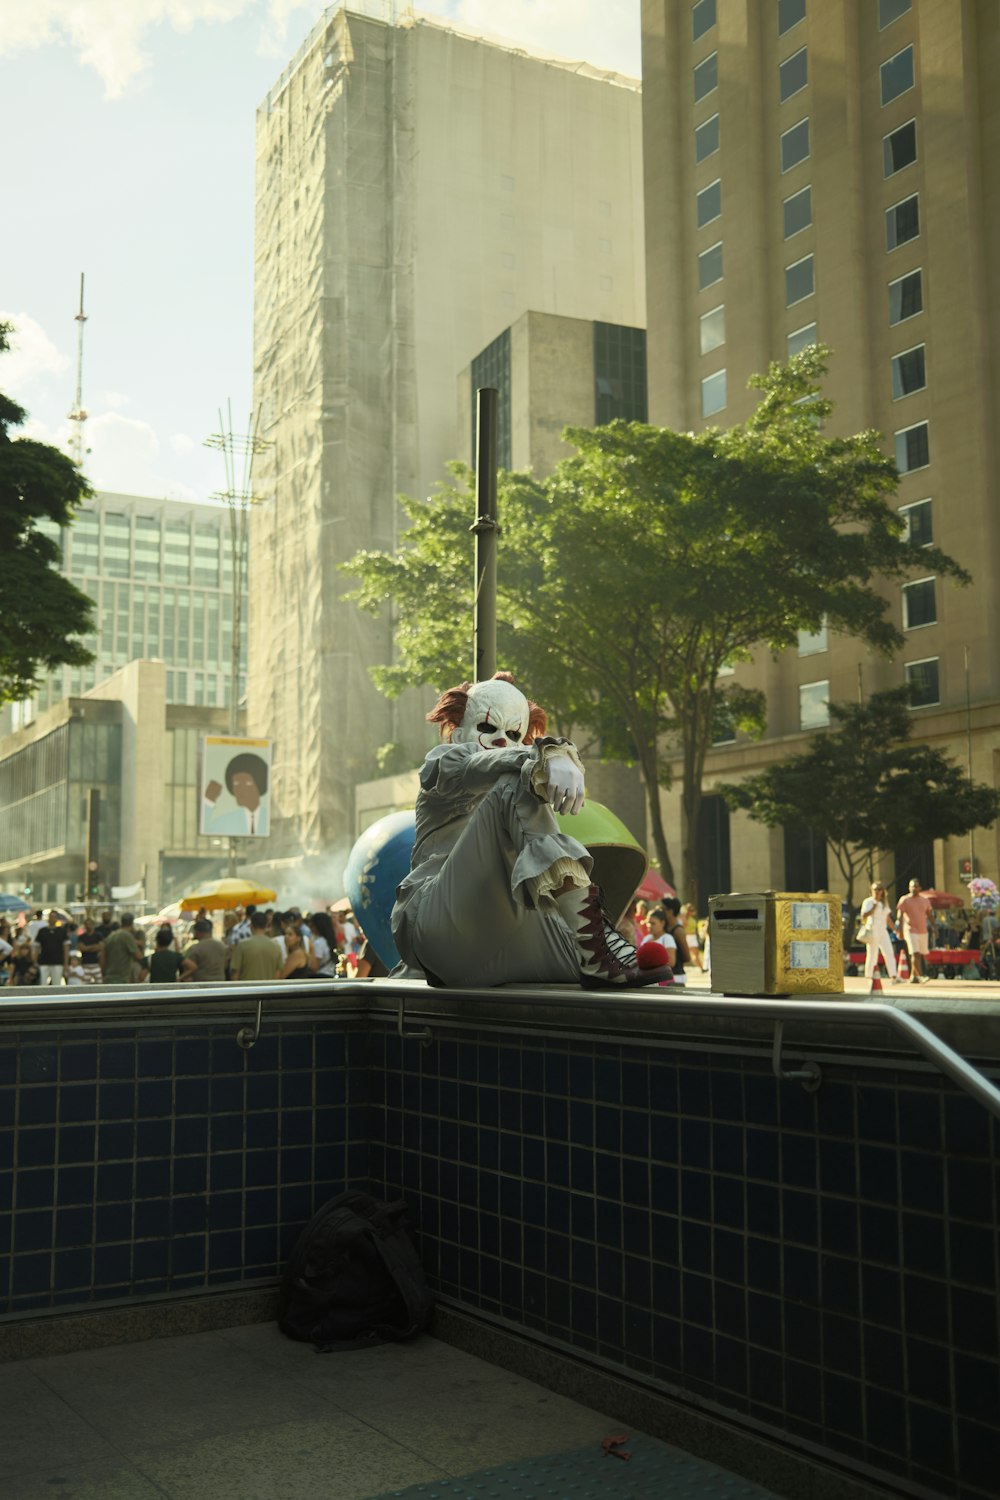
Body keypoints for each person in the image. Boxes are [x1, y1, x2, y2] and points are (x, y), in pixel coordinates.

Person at [390, 671, 671, 989]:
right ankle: (597, 951)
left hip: (516, 934)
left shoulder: (523, 777)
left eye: (513, 733)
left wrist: (544, 756)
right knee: (514, 782)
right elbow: (482, 764)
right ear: (457, 733)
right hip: (445, 930)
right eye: (486, 727)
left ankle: (597, 948)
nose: (499, 740)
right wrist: (547, 752)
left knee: (636, 972)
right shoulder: (444, 762)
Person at [202, 752, 270, 836]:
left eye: (247, 783)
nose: (240, 789)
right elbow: (206, 832)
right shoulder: (226, 821)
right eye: (236, 784)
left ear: (260, 784)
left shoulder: (270, 819)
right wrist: (208, 801)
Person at [895, 878, 934, 984]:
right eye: (912, 886)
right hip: (910, 930)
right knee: (915, 953)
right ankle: (920, 976)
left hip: (923, 930)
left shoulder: (925, 900)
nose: (914, 888)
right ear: (909, 887)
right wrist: (899, 930)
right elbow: (900, 916)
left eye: (916, 886)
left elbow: (930, 915)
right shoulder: (904, 900)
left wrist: (935, 928)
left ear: (920, 888)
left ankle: (913, 976)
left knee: (920, 954)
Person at [857, 881, 898, 982]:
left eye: (879, 889)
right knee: (872, 954)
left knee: (889, 952)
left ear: (882, 891)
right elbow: (863, 916)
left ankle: (893, 976)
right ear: (872, 890)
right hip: (872, 930)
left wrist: (896, 930)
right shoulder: (868, 902)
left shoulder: (884, 903)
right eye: (875, 889)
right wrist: (872, 909)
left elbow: (888, 919)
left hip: (883, 931)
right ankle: (869, 976)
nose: (877, 891)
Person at [230, 911, 282, 981]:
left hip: (248, 989)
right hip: (268, 989)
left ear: (251, 925)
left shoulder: (242, 945)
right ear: (266, 925)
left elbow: (235, 975)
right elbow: (278, 974)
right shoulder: (276, 946)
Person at [102, 913, 148, 983]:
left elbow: (102, 958)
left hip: (109, 977)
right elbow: (138, 956)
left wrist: (103, 974)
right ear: (132, 924)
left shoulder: (111, 936)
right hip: (122, 978)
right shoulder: (127, 936)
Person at [663, 897, 693, 984]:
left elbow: (687, 957)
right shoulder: (664, 928)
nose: (662, 912)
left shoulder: (678, 931)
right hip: (666, 974)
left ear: (670, 911)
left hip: (677, 975)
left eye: (664, 909)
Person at [34, 910, 69, 986]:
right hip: (43, 961)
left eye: (54, 917)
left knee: (56, 983)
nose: (52, 919)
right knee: (43, 983)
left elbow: (66, 948)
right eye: (51, 917)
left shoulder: (62, 931)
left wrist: (66, 963)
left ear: (57, 918)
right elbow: (37, 947)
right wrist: (35, 960)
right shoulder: (42, 931)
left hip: (57, 961)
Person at [307, 911, 339, 978]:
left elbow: (315, 967)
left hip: (319, 977)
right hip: (331, 975)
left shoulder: (318, 943)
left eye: (311, 925)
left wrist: (311, 950)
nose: (310, 928)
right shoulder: (330, 940)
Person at [76, 916, 105, 984]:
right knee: (85, 984)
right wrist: (94, 947)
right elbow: (82, 948)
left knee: (99, 982)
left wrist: (87, 948)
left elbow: (101, 947)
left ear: (93, 925)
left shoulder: (98, 935)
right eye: (87, 924)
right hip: (85, 964)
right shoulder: (81, 937)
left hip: (96, 964)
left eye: (90, 924)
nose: (88, 926)